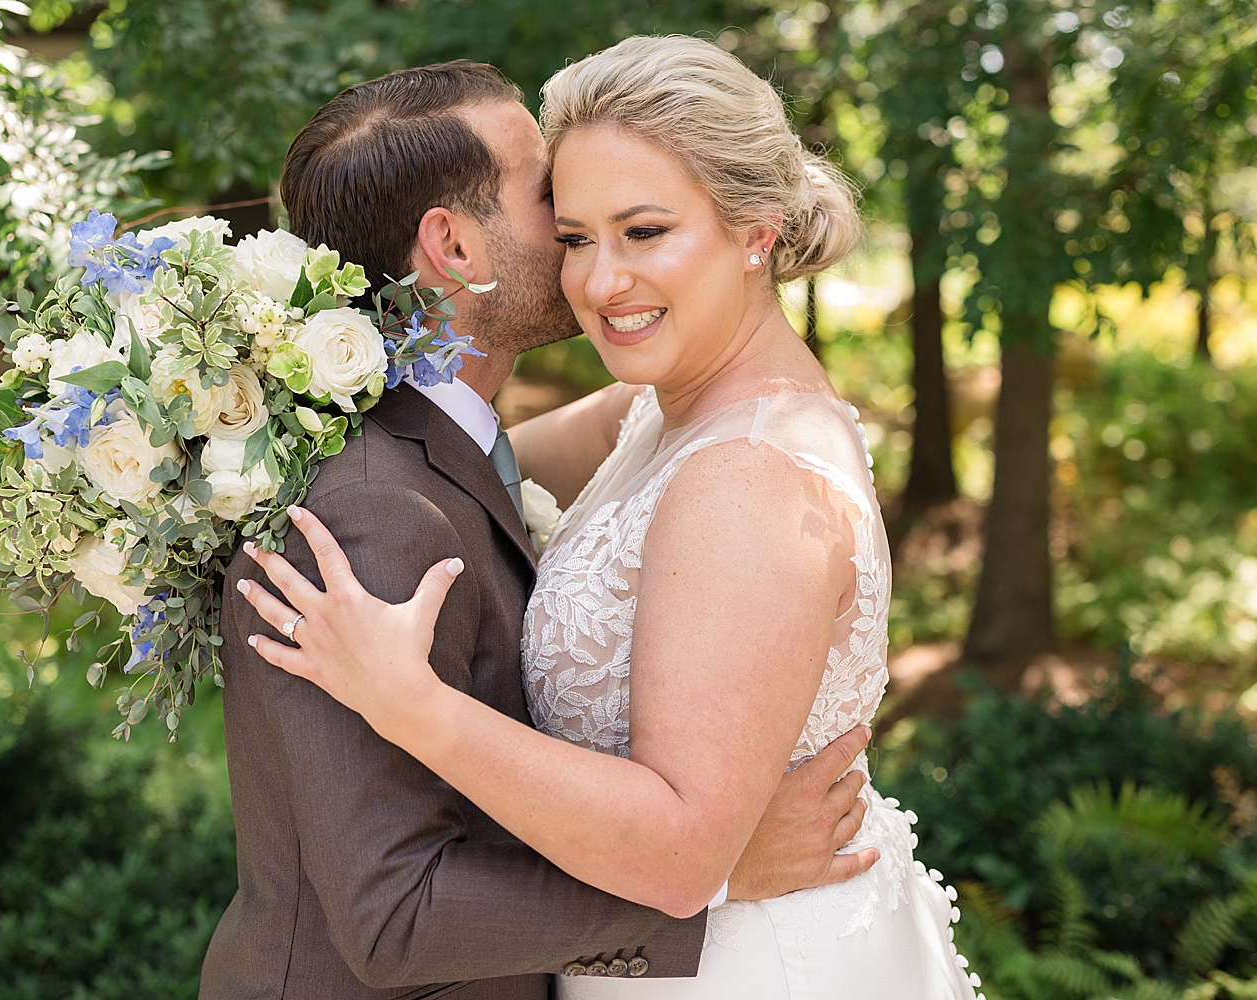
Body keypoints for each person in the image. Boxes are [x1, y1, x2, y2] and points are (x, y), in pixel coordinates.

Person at [238, 37, 982, 1000]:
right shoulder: (661, 413)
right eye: (576, 231)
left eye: (643, 232)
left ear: (757, 229)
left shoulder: (744, 478)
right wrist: (240, 430)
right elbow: (470, 471)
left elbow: (678, 854)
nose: (597, 280)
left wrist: (414, 705)